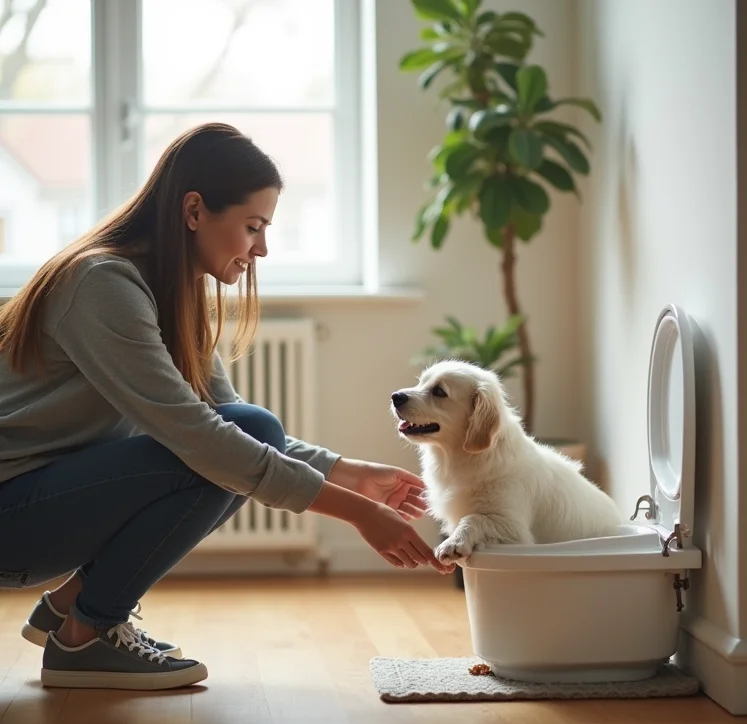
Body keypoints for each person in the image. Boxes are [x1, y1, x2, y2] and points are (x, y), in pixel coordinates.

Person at [0, 122, 453, 692]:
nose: (261, 248)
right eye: (253, 226)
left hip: (38, 506)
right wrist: (357, 513)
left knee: (249, 427)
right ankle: (87, 636)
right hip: (11, 515)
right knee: (228, 442)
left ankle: (70, 609)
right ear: (194, 211)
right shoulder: (101, 283)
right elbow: (201, 438)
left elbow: (230, 424)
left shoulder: (172, 292)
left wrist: (348, 474)